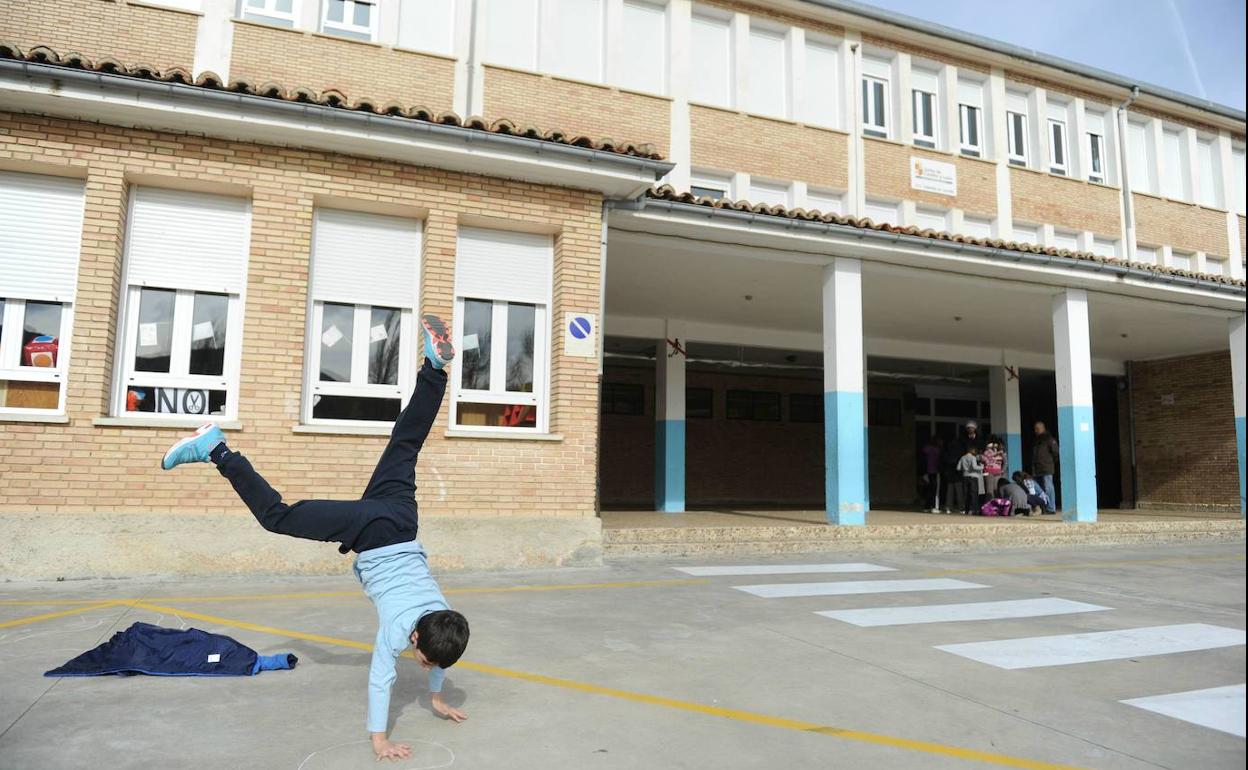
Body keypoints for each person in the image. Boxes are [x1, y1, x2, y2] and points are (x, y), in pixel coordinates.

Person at [159, 313, 469, 762]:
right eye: (422, 660)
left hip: (403, 519)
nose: (422, 666)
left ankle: (434, 370)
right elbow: (381, 679)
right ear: (415, 639)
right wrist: (379, 740)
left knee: (406, 441)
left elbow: (442, 655)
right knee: (277, 517)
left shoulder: (442, 617)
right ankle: (217, 449)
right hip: (372, 531)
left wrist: (438, 697)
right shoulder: (400, 629)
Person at [1032, 421, 1060, 514]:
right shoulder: (1036, 440)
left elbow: (1055, 453)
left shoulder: (1049, 439)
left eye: (1038, 428)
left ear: (1043, 428)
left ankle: (1051, 508)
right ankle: (1043, 507)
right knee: (1038, 489)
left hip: (1047, 467)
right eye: (1035, 429)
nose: (1036, 431)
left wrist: (1050, 463)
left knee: (1048, 488)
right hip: (1037, 468)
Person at [939, 432, 965, 514]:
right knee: (959, 491)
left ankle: (948, 507)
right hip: (958, 472)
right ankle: (961, 508)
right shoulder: (960, 448)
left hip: (949, 472)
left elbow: (943, 460)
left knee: (949, 491)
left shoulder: (947, 449)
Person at [956, 445, 984, 515]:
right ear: (972, 451)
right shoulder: (973, 457)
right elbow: (974, 467)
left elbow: (958, 468)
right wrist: (981, 467)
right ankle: (973, 509)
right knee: (973, 493)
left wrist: (965, 469)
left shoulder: (962, 457)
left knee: (966, 493)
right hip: (973, 477)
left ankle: (966, 509)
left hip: (965, 476)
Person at [920, 435, 943, 513]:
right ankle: (933, 507)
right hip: (934, 471)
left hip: (927, 471)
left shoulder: (926, 449)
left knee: (930, 490)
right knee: (934, 490)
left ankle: (927, 507)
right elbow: (938, 461)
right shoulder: (937, 450)